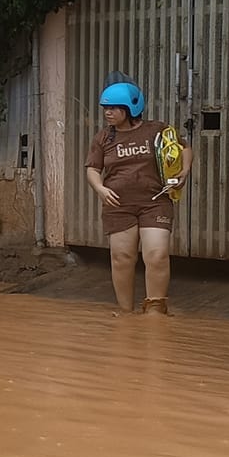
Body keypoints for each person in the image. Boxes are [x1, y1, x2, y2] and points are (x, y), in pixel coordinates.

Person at [85, 79, 191, 315]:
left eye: (113, 108)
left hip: (155, 203)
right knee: (122, 257)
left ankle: (155, 311)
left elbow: (184, 148)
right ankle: (126, 313)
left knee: (157, 254)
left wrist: (183, 171)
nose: (108, 113)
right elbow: (92, 169)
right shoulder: (103, 138)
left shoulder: (157, 130)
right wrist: (100, 189)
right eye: (105, 108)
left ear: (131, 108)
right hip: (118, 206)